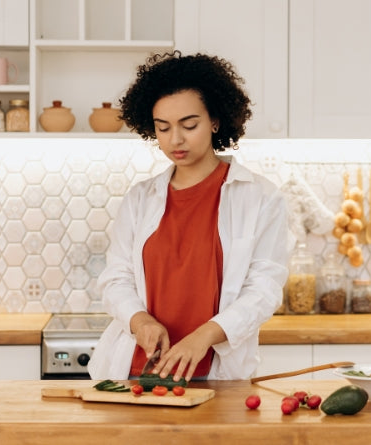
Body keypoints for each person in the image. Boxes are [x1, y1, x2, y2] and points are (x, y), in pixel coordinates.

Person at [88, 51, 289, 382]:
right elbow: (116, 278)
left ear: (215, 120)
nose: (175, 140)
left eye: (189, 125)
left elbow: (264, 288)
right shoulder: (140, 199)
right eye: (163, 128)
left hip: (215, 377)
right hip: (133, 376)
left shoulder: (260, 197)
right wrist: (140, 321)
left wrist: (204, 336)